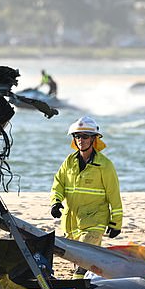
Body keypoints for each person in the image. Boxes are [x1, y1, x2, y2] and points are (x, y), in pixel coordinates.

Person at [49, 116, 123, 279]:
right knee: (81, 261)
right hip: (71, 222)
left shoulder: (105, 165)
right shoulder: (69, 162)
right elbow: (58, 184)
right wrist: (56, 202)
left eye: (85, 136)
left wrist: (116, 223)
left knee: (82, 266)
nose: (80, 140)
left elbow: (114, 195)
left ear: (94, 139)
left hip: (94, 222)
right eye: (77, 136)